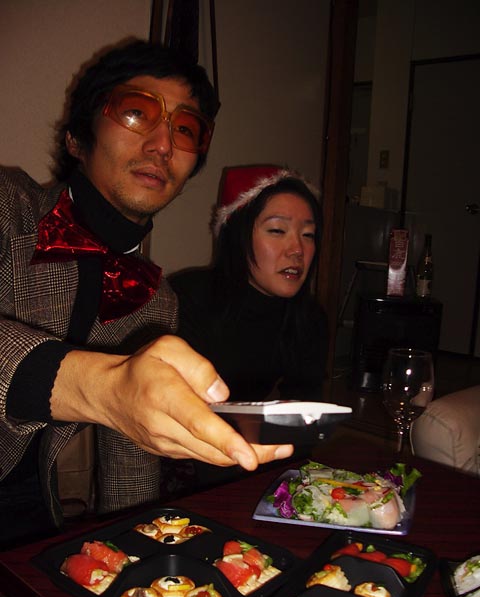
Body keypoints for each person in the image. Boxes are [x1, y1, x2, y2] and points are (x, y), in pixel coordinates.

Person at [0, 42, 293, 549]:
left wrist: (141, 556)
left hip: (31, 533)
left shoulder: (155, 300)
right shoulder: (8, 205)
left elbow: (129, 472)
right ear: (76, 138)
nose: (163, 145)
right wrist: (101, 387)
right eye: (136, 112)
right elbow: (112, 395)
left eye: (185, 130)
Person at [169, 165, 328, 487]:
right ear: (237, 236)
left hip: (262, 472)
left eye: (308, 235)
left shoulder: (309, 318)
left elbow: (303, 424)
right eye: (277, 230)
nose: (297, 250)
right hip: (184, 471)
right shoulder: (186, 298)